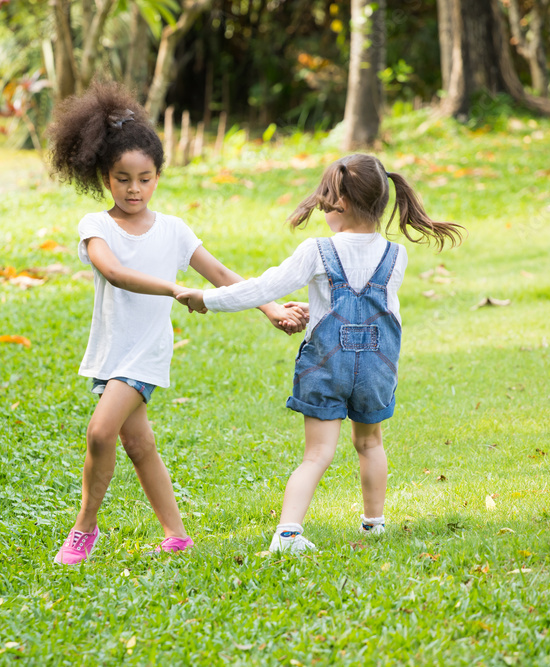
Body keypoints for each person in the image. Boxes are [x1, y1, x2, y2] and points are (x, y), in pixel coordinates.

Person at [46, 81, 307, 565]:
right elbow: (113, 272)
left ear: (158, 176)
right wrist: (173, 289)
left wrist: (270, 306)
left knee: (101, 433)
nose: (133, 189)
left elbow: (222, 274)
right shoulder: (95, 226)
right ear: (105, 176)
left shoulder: (173, 230)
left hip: (146, 349)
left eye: (144, 178)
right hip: (109, 350)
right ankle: (177, 535)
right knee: (137, 443)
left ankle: (84, 529)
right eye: (123, 178)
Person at [177, 154, 464, 553]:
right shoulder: (397, 255)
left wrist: (207, 297)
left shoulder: (317, 250)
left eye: (325, 201)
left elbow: (264, 287)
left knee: (316, 454)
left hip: (327, 366)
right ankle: (374, 525)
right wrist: (322, 311)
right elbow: (381, 310)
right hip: (377, 368)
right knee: (370, 444)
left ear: (340, 203)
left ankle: (288, 534)